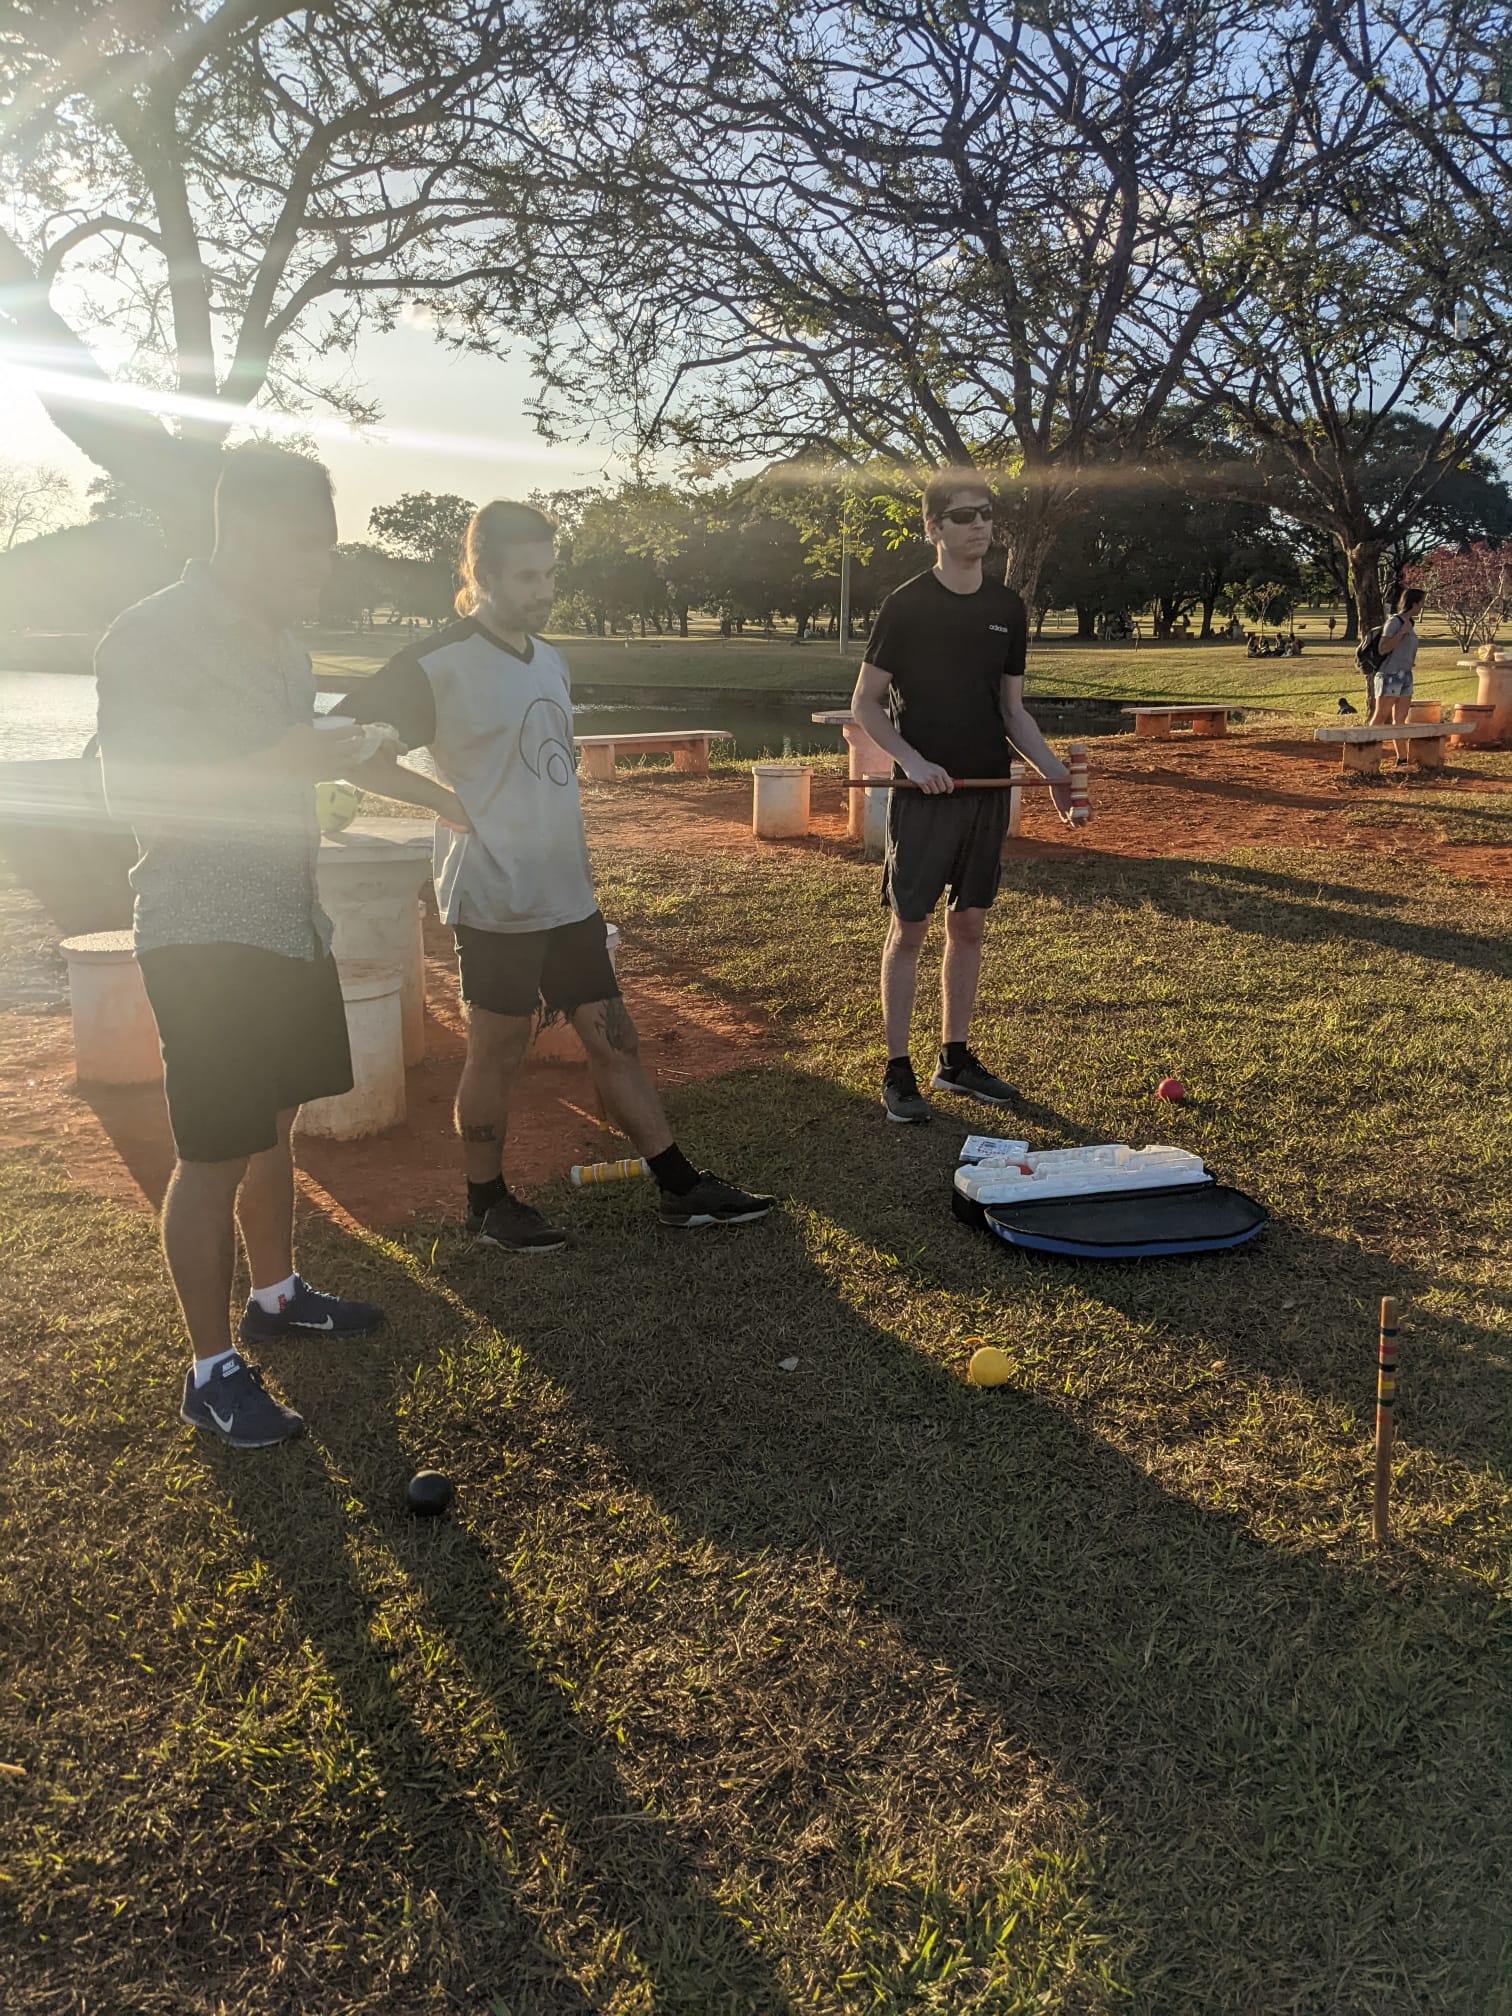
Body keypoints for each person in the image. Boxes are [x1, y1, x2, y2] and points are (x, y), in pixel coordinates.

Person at [94, 448, 457, 1451]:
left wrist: (436, 797)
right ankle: (211, 1372)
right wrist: (284, 760)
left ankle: (277, 1293)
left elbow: (306, 755)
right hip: (202, 931)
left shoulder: (285, 645)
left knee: (275, 1125)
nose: (321, 569)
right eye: (309, 548)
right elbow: (132, 792)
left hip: (292, 918)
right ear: (246, 530)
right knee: (212, 1151)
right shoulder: (151, 634)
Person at [337, 500, 775, 1247]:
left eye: (550, 573)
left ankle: (679, 1187)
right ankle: (487, 1205)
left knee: (616, 1038)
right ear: (481, 574)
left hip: (564, 891)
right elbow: (346, 740)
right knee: (498, 1051)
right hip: (496, 897)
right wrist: (443, 800)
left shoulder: (550, 656)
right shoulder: (434, 663)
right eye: (527, 576)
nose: (544, 591)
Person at [849, 468, 1074, 1125]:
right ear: (932, 529)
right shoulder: (907, 604)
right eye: (962, 515)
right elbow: (864, 703)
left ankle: (954, 1059)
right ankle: (898, 1070)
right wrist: (913, 763)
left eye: (985, 514)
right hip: (923, 793)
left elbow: (1014, 712)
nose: (979, 524)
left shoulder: (1007, 609)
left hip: (984, 790)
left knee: (970, 924)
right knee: (910, 927)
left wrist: (1055, 774)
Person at [1371, 587, 1426, 768]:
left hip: (1405, 675)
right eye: (1422, 603)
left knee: (1400, 719)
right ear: (1415, 603)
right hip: (1390, 675)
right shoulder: (1394, 622)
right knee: (1380, 716)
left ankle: (1402, 759)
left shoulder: (1410, 622)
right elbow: (1383, 648)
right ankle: (1367, 753)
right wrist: (1401, 632)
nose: (1422, 607)